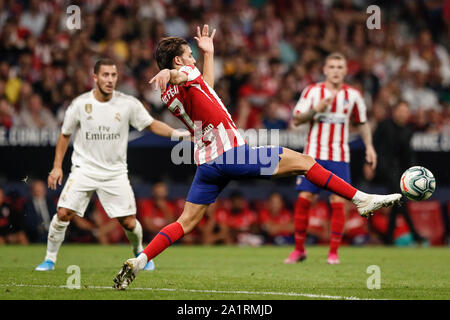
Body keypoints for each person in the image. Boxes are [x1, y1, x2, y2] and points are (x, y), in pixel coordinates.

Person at [113, 25, 401, 290]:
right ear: (178, 61)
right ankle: (361, 199)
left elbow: (205, 88)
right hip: (231, 154)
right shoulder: (182, 74)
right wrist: (169, 73)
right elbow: (182, 75)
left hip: (208, 164)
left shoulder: (175, 92)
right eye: (190, 55)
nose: (194, 59)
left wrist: (208, 54)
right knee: (305, 162)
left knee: (186, 222)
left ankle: (140, 260)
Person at [34, 57, 190, 271]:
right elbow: (64, 134)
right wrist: (57, 166)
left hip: (115, 173)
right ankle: (49, 259)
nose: (110, 79)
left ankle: (139, 252)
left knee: (129, 222)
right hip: (84, 169)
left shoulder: (127, 104)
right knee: (63, 214)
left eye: (113, 75)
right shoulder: (80, 104)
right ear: (95, 77)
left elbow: (151, 124)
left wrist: (174, 133)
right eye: (105, 75)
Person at [284, 52, 377, 265]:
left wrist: (369, 147)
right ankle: (299, 250)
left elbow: (362, 123)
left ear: (345, 71)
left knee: (338, 202)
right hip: (312, 156)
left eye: (339, 67)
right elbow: (297, 119)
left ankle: (333, 253)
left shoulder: (353, 95)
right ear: (325, 70)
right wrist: (315, 111)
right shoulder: (312, 91)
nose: (335, 70)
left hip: (339, 157)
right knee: (304, 199)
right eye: (332, 67)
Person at [370, 101, 427, 245]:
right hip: (383, 167)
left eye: (405, 111)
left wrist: (414, 172)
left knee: (398, 200)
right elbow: (373, 144)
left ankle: (389, 238)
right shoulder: (385, 125)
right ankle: (414, 234)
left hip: (399, 171)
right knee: (399, 198)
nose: (402, 114)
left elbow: (408, 155)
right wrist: (368, 163)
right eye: (400, 111)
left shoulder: (408, 131)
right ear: (394, 112)